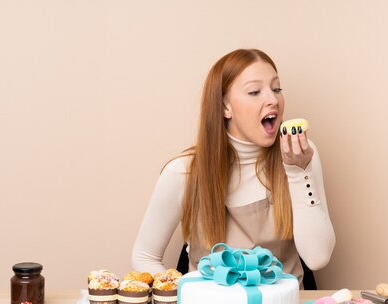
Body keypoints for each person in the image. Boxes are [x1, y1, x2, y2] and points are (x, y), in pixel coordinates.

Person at [131, 48, 335, 288]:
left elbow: (318, 257)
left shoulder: (300, 154)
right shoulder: (183, 172)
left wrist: (299, 172)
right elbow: (144, 256)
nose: (273, 100)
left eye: (276, 89)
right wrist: (187, 297)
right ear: (225, 107)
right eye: (255, 91)